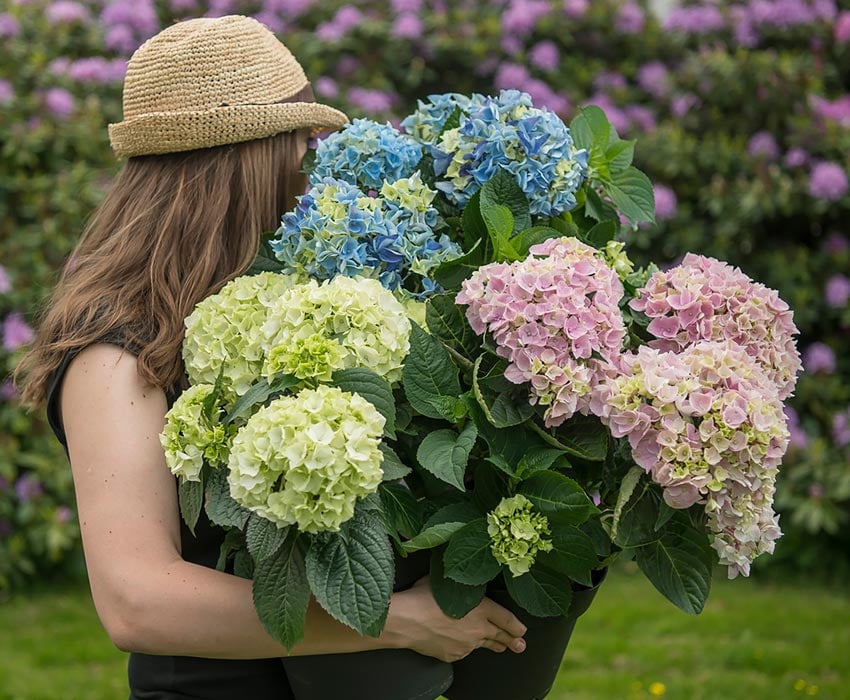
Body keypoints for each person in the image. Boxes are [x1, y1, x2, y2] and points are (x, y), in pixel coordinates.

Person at [14, 15, 527, 700]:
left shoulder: (290, 296)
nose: (313, 164)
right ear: (252, 160)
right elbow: (137, 600)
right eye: (303, 143)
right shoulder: (115, 347)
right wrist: (392, 623)